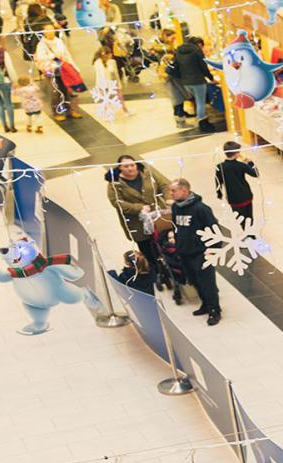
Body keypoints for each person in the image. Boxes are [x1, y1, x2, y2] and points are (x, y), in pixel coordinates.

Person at [162, 179, 222, 324]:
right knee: (194, 281)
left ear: (184, 190)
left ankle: (214, 310)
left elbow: (215, 230)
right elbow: (177, 227)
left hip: (201, 253)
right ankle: (205, 305)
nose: (171, 193)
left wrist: (213, 251)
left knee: (207, 283)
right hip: (184, 252)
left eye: (173, 190)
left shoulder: (201, 209)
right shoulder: (176, 207)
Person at [106, 154, 170, 284]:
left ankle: (168, 270)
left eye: (132, 165)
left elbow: (164, 184)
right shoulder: (115, 183)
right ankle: (155, 273)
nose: (130, 168)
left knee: (163, 244)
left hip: (158, 217)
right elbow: (117, 202)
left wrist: (168, 198)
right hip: (137, 224)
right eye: (126, 166)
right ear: (120, 168)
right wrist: (138, 208)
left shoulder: (148, 172)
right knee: (147, 249)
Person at [215, 141, 259, 228]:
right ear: (236, 153)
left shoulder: (220, 167)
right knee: (249, 217)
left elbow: (218, 182)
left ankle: (245, 232)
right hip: (246, 195)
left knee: (240, 217)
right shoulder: (241, 165)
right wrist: (250, 162)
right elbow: (256, 174)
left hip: (233, 197)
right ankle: (251, 233)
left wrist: (219, 193)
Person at [168, 35, 211, 126]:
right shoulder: (197, 51)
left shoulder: (179, 51)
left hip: (186, 82)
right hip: (198, 81)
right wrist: (210, 77)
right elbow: (203, 66)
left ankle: (199, 118)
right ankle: (202, 122)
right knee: (200, 102)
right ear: (198, 44)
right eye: (201, 46)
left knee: (196, 101)